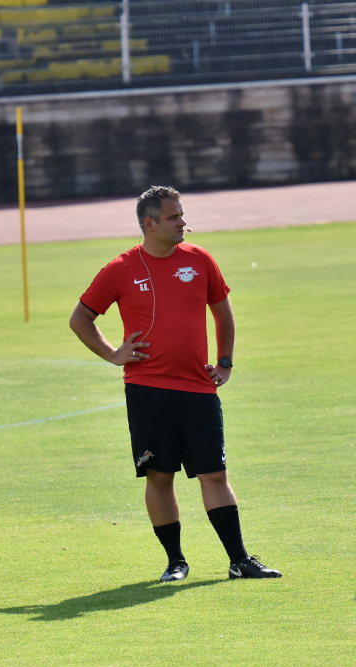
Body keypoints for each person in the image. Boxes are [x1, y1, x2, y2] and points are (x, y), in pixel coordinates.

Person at [69, 185, 281, 582]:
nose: (184, 222)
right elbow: (80, 319)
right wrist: (114, 353)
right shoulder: (120, 268)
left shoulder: (199, 260)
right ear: (149, 225)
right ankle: (175, 562)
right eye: (174, 217)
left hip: (199, 388)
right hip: (148, 390)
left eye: (182, 215)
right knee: (159, 476)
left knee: (214, 474)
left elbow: (224, 315)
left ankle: (240, 560)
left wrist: (225, 363)